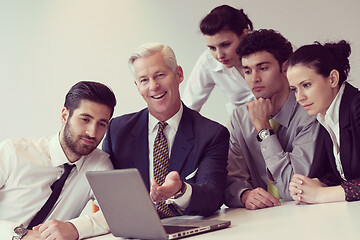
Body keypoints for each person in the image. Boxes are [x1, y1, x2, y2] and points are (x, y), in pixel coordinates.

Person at [68, 42, 230, 238]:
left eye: (160, 75)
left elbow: (213, 197)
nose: (153, 86)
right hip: (133, 234)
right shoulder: (116, 130)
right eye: (144, 80)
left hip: (192, 234)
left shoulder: (212, 134)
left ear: (179, 74)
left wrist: (180, 190)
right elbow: (107, 195)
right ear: (137, 87)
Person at [0, 81, 116, 240]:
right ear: (64, 116)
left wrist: (74, 228)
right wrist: (20, 235)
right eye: (85, 119)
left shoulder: (98, 164)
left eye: (101, 124)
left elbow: (118, 214)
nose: (92, 132)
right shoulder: (13, 152)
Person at [225, 29, 323, 210]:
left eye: (263, 68)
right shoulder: (240, 117)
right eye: (247, 71)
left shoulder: (309, 111)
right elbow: (230, 181)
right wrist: (244, 194)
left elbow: (291, 190)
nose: (254, 79)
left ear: (285, 69)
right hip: (261, 222)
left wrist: (263, 129)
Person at [287, 40, 360, 204]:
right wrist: (313, 185)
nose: (299, 97)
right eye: (295, 89)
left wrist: (320, 195)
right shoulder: (326, 116)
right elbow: (342, 174)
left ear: (333, 79)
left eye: (306, 85)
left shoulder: (357, 107)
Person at [182, 5, 254, 115]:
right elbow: (189, 107)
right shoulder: (208, 61)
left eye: (225, 45)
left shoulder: (272, 49)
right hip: (242, 125)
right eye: (212, 48)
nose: (219, 55)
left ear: (244, 35)